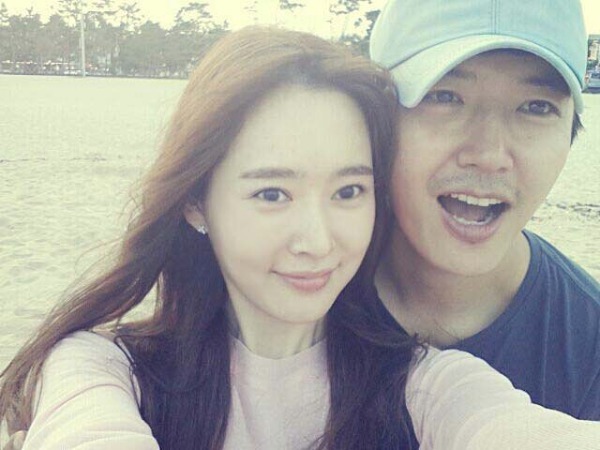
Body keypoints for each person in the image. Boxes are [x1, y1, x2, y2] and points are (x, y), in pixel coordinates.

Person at [1, 26, 599, 450]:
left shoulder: (426, 382)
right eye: (272, 194)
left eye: (348, 191)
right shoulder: (101, 370)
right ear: (195, 200)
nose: (317, 241)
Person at [370, 0, 600, 423]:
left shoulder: (589, 351)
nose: (490, 155)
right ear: (377, 117)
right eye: (445, 97)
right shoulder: (287, 289)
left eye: (536, 107)